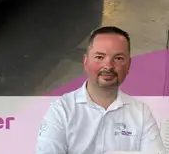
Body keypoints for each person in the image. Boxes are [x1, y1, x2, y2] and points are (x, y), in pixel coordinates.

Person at [35, 26, 165, 154]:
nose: (108, 66)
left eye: (118, 58)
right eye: (99, 57)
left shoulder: (141, 113)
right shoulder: (62, 110)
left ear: (129, 65)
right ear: (86, 62)